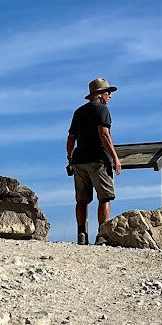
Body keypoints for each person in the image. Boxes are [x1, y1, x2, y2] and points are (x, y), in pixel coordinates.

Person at [66, 78, 122, 245]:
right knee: (104, 197)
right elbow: (104, 134)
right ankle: (102, 235)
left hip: (79, 161)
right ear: (100, 94)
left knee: (81, 200)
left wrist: (70, 158)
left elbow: (71, 138)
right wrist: (115, 158)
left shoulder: (78, 112)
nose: (110, 96)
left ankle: (81, 234)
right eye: (108, 92)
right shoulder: (102, 110)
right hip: (98, 160)